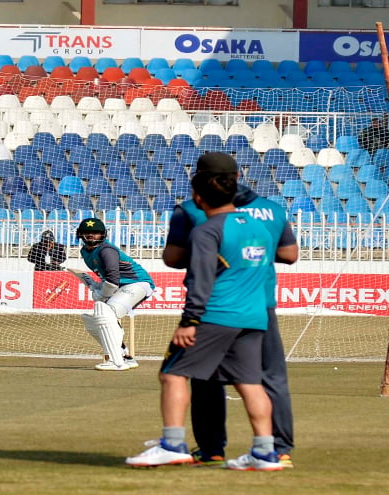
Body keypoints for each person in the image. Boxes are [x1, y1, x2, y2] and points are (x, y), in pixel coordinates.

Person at [126, 157, 282, 471]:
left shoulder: (206, 231)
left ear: (198, 197)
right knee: (250, 383)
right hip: (254, 317)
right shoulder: (260, 228)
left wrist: (190, 321)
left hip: (215, 315)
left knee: (172, 374)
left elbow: (201, 279)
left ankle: (172, 444)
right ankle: (265, 452)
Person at [163, 152, 299, 468]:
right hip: (260, 304)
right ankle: (277, 449)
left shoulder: (192, 210)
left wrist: (218, 255)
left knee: (200, 376)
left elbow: (172, 257)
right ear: (237, 175)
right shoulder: (272, 209)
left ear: (200, 179)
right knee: (268, 378)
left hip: (216, 307)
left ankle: (210, 448)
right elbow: (290, 255)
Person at [76, 218, 155, 371]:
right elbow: (106, 277)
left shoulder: (107, 250)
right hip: (120, 286)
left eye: (96, 232)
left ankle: (117, 362)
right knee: (93, 320)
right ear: (80, 234)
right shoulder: (85, 251)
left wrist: (101, 293)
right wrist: (97, 286)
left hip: (138, 283)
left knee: (106, 314)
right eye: (87, 232)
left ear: (103, 234)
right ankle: (124, 356)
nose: (91, 235)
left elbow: (112, 280)